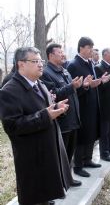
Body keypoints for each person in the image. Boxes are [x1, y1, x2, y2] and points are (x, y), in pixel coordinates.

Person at [0, 47, 72, 205]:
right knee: (34, 191)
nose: (40, 65)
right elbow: (12, 126)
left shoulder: (39, 83)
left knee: (46, 187)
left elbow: (43, 108)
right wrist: (46, 115)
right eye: (35, 61)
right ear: (21, 64)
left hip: (47, 147)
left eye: (41, 61)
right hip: (31, 152)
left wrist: (56, 107)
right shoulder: (9, 91)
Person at [41, 43, 86, 187]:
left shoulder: (65, 71)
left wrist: (81, 86)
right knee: (60, 154)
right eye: (59, 52)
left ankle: (68, 179)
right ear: (50, 55)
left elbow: (72, 93)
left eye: (63, 51)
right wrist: (71, 86)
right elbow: (53, 95)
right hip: (62, 119)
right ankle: (58, 184)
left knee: (69, 152)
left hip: (73, 118)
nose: (63, 54)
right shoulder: (46, 73)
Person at [67, 37, 104, 177]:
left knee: (91, 133)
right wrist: (85, 86)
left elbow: (90, 83)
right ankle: (78, 165)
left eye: (92, 47)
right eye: (89, 47)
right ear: (81, 48)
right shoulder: (74, 65)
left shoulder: (89, 63)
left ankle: (88, 159)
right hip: (82, 106)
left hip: (92, 104)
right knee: (82, 136)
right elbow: (72, 89)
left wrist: (96, 83)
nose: (91, 50)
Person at [95, 48, 110, 162]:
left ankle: (109, 148)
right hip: (104, 103)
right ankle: (104, 153)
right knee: (105, 130)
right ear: (105, 55)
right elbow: (99, 86)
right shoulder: (99, 67)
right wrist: (109, 80)